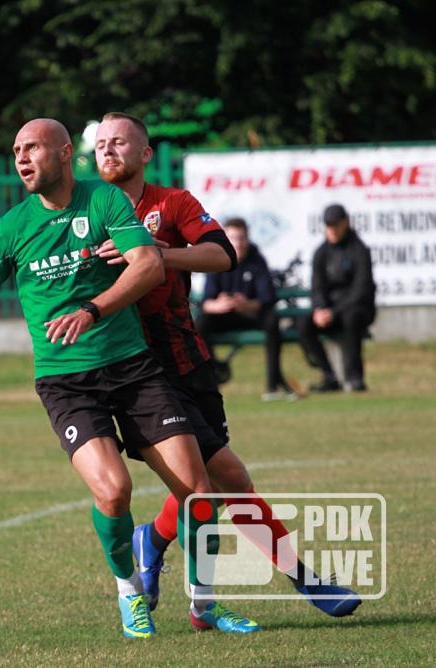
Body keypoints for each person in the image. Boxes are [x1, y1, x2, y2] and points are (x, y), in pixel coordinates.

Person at [0, 118, 255, 639]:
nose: (22, 158)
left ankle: (205, 606)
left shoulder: (104, 202)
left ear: (66, 153)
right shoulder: (10, 229)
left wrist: (93, 310)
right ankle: (129, 592)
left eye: (33, 148)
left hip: (134, 369)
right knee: (114, 492)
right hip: (67, 383)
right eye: (16, 151)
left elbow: (147, 265)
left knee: (198, 492)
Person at [93, 111, 360, 621]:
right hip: (136, 373)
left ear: (145, 153)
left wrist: (156, 254)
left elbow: (220, 257)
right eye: (101, 143)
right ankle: (307, 580)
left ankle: (153, 537)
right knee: (231, 478)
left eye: (120, 142)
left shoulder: (172, 203)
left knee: (207, 489)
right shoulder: (87, 212)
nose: (109, 151)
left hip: (188, 361)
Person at [194, 218, 295, 400]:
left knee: (272, 321)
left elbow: (266, 299)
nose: (238, 243)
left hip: (250, 314)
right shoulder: (217, 258)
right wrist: (220, 305)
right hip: (225, 316)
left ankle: (273, 384)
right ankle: (213, 376)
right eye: (233, 238)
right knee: (201, 324)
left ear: (248, 239)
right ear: (226, 238)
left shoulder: (257, 260)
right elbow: (206, 302)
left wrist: (246, 304)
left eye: (242, 238)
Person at [296, 204, 376, 392]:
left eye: (335, 225)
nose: (332, 229)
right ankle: (329, 376)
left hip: (356, 308)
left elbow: (361, 289)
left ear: (345, 223)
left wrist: (334, 311)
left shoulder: (359, 250)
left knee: (351, 319)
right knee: (303, 324)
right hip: (329, 311)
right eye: (328, 225)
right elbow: (317, 287)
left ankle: (355, 377)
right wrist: (320, 309)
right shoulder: (321, 252)